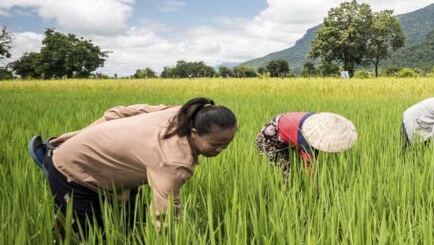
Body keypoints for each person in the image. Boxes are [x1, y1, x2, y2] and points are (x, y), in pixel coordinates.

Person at [28, 97, 237, 236]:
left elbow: (119, 113)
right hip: (74, 173)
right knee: (93, 244)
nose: (220, 151)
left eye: (226, 144)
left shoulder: (180, 114)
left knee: (130, 230)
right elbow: (165, 217)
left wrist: (76, 137)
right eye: (215, 145)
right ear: (194, 133)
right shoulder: (173, 160)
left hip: (109, 175)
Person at [255, 112, 357, 183]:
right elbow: (310, 171)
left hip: (286, 129)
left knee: (295, 161)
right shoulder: (306, 140)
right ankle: (286, 195)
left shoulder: (316, 120)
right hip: (269, 137)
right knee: (285, 173)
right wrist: (314, 192)